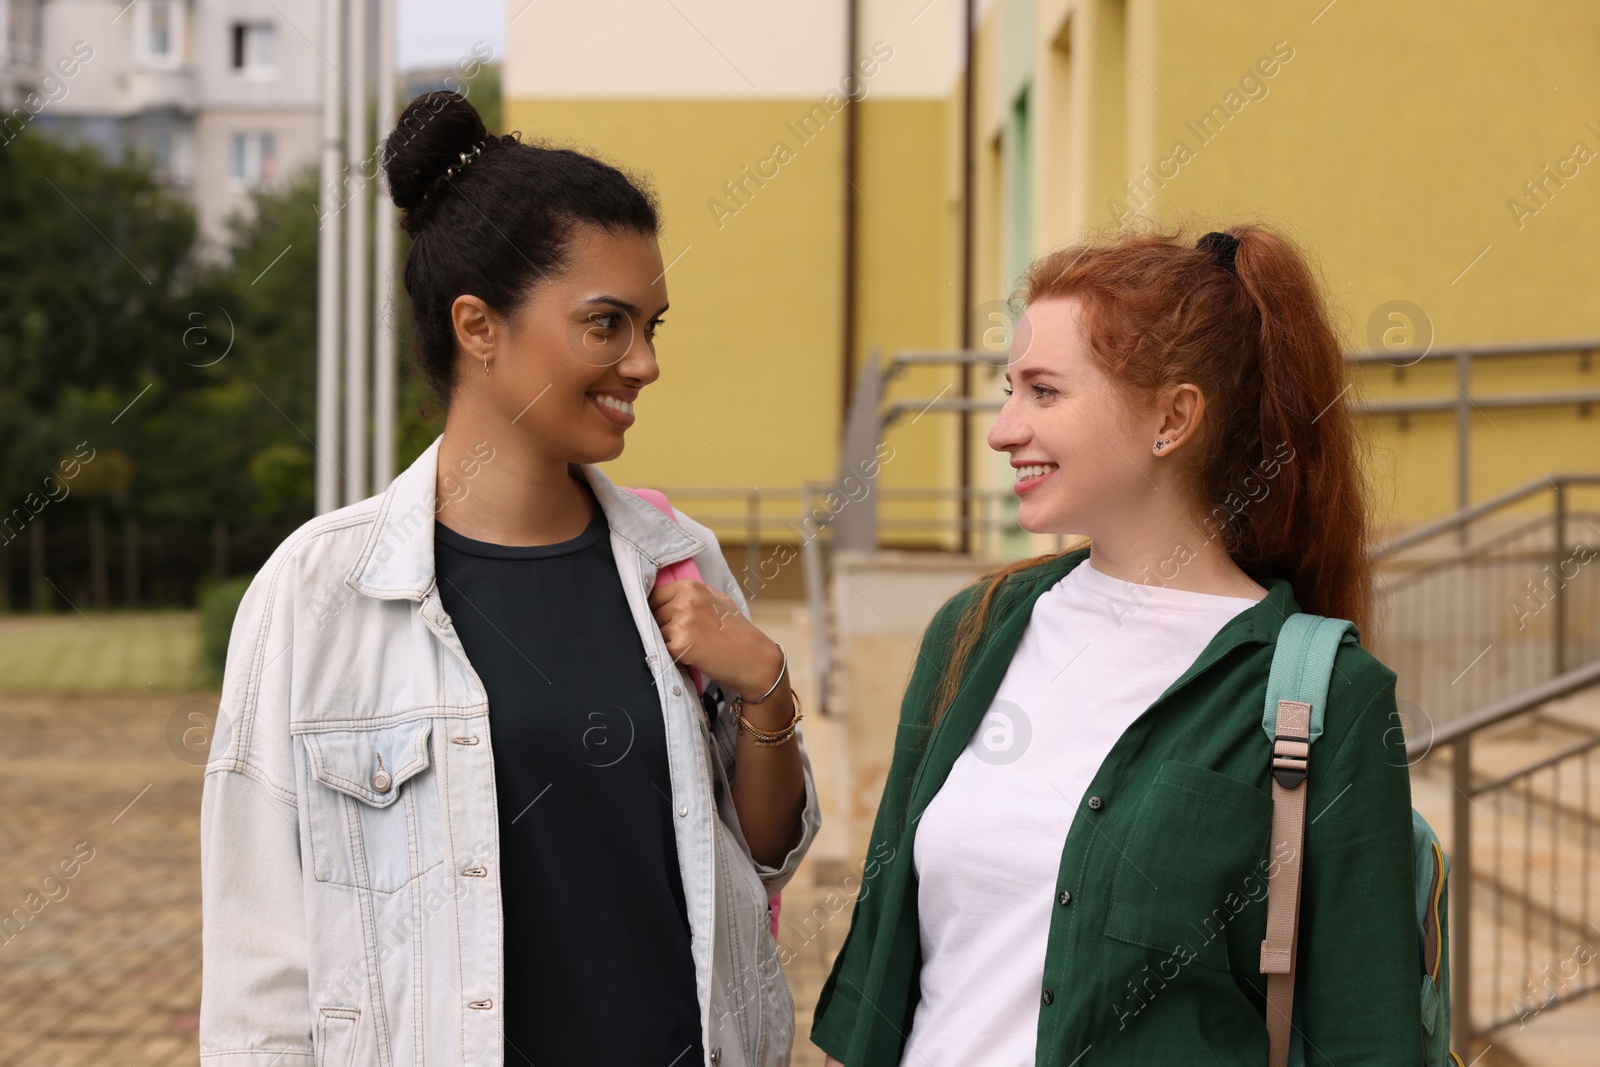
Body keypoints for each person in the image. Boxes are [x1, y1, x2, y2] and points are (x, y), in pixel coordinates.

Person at [198, 91, 820, 1067]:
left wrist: (767, 688)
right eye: (606, 324)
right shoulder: (317, 590)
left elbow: (766, 850)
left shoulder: (677, 557)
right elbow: (258, 965)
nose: (645, 362)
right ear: (478, 327)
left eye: (653, 324)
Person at [812, 227, 1422, 1065]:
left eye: (1044, 392)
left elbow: (1367, 1034)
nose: (1002, 429)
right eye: (1007, 389)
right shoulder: (972, 631)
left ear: (1172, 416)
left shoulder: (1326, 696)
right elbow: (887, 966)